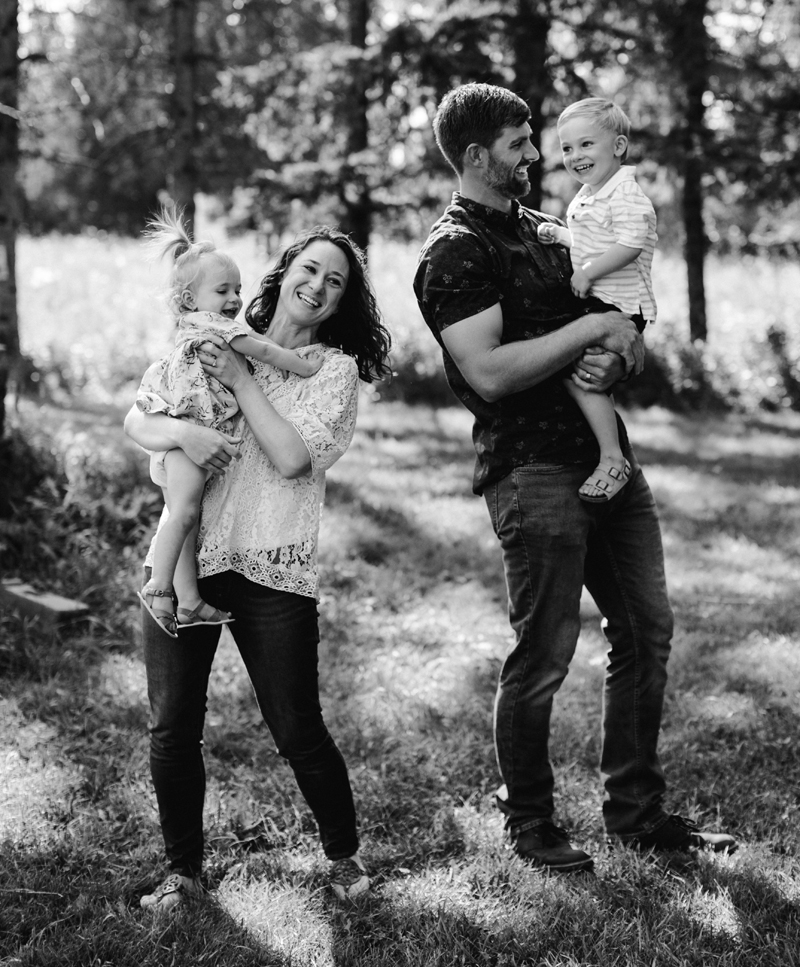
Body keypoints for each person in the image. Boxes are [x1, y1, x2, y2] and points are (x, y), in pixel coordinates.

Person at [414, 82, 736, 873]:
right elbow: (490, 373)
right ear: (478, 156)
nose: (536, 154)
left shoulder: (555, 231)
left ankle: (636, 814)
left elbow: (623, 326)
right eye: (519, 143)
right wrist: (591, 327)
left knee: (647, 632)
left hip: (607, 457)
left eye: (536, 138)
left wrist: (621, 351)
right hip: (532, 470)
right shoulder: (455, 250)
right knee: (545, 653)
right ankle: (529, 822)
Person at [124, 226, 392, 909]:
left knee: (297, 726)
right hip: (189, 558)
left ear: (343, 302)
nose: (318, 286)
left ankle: (344, 859)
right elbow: (139, 419)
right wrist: (182, 432)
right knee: (172, 726)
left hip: (271, 566)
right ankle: (183, 871)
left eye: (335, 281)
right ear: (286, 270)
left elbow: (293, 458)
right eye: (311, 268)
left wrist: (243, 381)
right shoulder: (214, 334)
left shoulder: (329, 371)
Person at [136, 208, 323, 637]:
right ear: (190, 300)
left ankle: (188, 602)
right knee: (184, 514)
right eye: (222, 290)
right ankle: (159, 588)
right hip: (186, 439)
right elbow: (265, 351)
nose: (235, 299)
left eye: (237, 289)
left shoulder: (190, 325)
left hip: (180, 436)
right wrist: (303, 365)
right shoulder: (216, 327)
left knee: (185, 516)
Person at [536, 97, 657, 504]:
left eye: (586, 144)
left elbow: (629, 245)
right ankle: (603, 451)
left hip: (618, 305)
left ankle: (612, 459)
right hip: (602, 301)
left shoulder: (626, 194)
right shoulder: (593, 193)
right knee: (574, 373)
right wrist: (562, 237)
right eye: (567, 148)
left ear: (618, 146)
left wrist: (587, 273)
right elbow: (596, 242)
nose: (575, 156)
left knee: (584, 377)